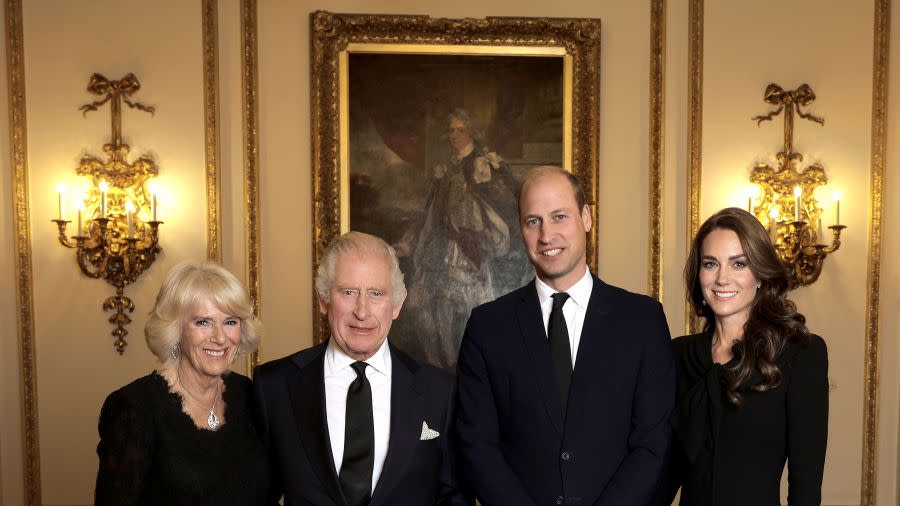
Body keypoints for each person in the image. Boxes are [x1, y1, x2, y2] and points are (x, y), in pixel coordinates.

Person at [455, 166, 675, 505]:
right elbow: (476, 447)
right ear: (521, 229)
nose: (546, 235)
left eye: (559, 216)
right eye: (533, 221)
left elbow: (653, 443)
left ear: (586, 217)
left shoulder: (642, 320)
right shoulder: (488, 327)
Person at [252, 231, 469, 506]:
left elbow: (453, 496)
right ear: (323, 299)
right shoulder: (274, 386)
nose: (362, 311)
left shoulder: (439, 391)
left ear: (397, 305)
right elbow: (255, 495)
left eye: (376, 294)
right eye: (348, 292)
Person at [664, 207, 828, 506]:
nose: (722, 278)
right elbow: (664, 469)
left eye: (738, 264)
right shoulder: (678, 354)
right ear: (699, 274)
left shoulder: (801, 352)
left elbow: (806, 485)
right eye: (710, 264)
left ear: (760, 274)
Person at [94, 261, 267, 505]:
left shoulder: (250, 394)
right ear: (175, 329)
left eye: (230, 321)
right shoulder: (134, 408)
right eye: (203, 322)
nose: (219, 338)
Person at [397, 108, 528, 368]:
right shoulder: (444, 169)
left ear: (471, 133)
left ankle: (473, 362)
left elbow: (506, 204)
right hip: (443, 244)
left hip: (473, 244)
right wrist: (412, 240)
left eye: (460, 130)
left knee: (471, 307)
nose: (454, 135)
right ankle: (443, 365)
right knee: (437, 304)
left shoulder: (485, 163)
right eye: (451, 130)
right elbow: (430, 210)